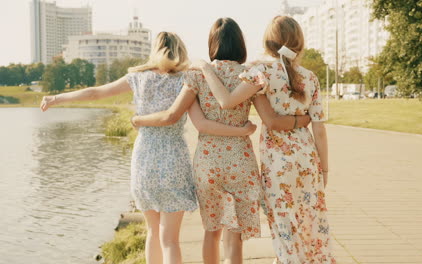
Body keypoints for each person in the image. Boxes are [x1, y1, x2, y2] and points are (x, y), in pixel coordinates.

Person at [40, 32, 255, 264]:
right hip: (174, 160)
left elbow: (96, 92)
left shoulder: (137, 78)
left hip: (144, 160)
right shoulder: (187, 79)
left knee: (152, 233)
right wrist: (242, 129)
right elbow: (200, 122)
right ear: (180, 50)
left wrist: (57, 99)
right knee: (170, 240)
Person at [131, 18, 311, 264]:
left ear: (212, 43)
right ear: (240, 44)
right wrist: (302, 119)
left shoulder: (196, 76)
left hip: (207, 162)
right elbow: (269, 117)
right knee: (234, 235)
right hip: (240, 161)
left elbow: (176, 116)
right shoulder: (250, 75)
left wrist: (139, 120)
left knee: (211, 232)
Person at [192, 16, 336, 263]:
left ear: (268, 42)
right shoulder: (311, 77)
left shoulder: (261, 72)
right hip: (307, 159)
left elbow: (227, 102)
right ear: (299, 43)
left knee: (283, 227)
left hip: (278, 164)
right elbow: (320, 130)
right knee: (311, 225)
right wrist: (324, 168)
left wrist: (206, 68)